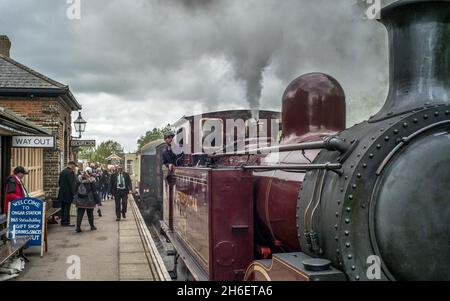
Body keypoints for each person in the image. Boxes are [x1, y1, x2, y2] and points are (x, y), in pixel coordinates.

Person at [57, 161, 77, 227]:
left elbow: (59, 182)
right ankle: (66, 222)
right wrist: (74, 193)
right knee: (67, 208)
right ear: (71, 165)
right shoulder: (71, 172)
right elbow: (72, 184)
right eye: (74, 166)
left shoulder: (62, 172)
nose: (74, 167)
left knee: (62, 207)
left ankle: (63, 221)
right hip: (68, 194)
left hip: (61, 193)